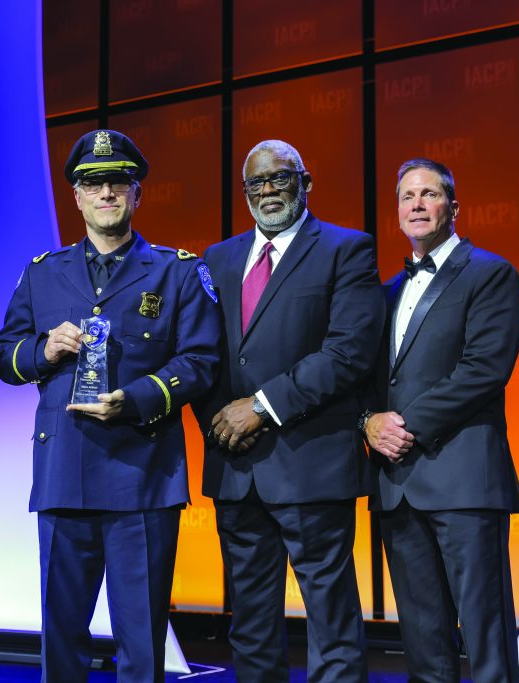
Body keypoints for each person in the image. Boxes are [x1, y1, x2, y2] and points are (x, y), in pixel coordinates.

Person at [0, 129, 220, 682]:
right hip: (64, 475)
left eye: (118, 181)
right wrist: (42, 350)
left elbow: (200, 362)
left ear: (137, 194)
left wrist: (137, 400)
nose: (106, 192)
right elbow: (2, 354)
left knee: (141, 642)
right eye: (93, 183)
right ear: (77, 197)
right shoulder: (43, 273)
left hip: (141, 478)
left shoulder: (178, 270)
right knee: (61, 639)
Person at [195, 139, 384, 682]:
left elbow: (348, 353)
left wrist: (260, 406)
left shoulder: (346, 249)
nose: (270, 190)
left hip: (312, 464)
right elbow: (201, 354)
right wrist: (222, 422)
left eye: (282, 178)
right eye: (258, 182)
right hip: (237, 467)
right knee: (250, 627)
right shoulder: (218, 258)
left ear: (306, 182)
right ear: (245, 191)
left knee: (331, 622)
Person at [363, 157, 519, 682]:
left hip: (463, 482)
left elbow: (483, 370)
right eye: (406, 197)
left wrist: (400, 425)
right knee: (422, 640)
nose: (416, 204)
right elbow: (365, 382)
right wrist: (367, 421)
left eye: (428, 194)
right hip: (398, 486)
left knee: (485, 634)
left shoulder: (490, 272)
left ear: (453, 208)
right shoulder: (384, 292)